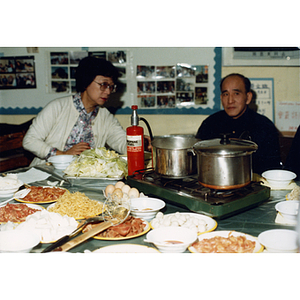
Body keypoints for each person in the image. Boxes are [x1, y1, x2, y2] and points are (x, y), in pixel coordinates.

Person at [23, 56, 127, 166]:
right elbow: (30, 141)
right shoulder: (58, 107)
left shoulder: (105, 116)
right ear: (86, 81)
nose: (108, 92)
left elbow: (120, 141)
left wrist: (138, 143)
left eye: (111, 87)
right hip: (47, 173)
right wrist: (62, 155)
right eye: (104, 85)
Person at [196, 73, 282, 175]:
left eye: (236, 93)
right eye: (226, 94)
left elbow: (272, 169)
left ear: (248, 97)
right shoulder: (210, 123)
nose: (230, 100)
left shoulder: (264, 126)